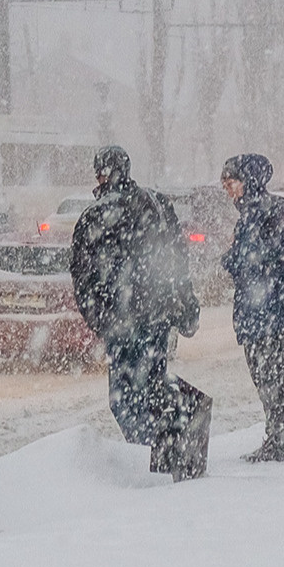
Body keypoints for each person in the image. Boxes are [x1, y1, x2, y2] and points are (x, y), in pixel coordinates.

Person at [69, 145, 200, 445]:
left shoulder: (95, 216)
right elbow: (176, 258)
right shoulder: (156, 204)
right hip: (158, 315)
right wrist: (185, 302)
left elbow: (83, 276)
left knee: (125, 400)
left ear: (102, 174)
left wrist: (101, 319)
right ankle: (169, 442)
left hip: (122, 321)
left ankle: (147, 452)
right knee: (153, 387)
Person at [220, 153, 284, 462]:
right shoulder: (248, 215)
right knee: (262, 375)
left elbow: (277, 256)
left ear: (248, 181)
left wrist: (236, 257)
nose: (227, 189)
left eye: (231, 182)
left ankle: (277, 438)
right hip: (255, 311)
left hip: (272, 311)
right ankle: (273, 435)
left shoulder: (274, 211)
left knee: (272, 375)